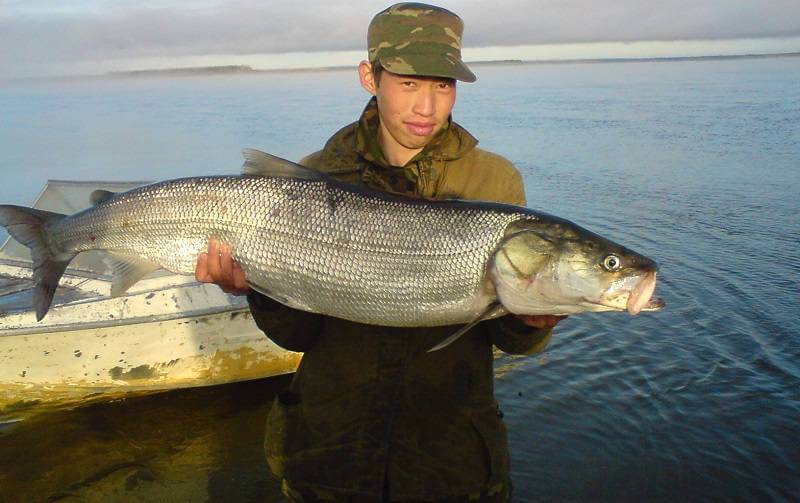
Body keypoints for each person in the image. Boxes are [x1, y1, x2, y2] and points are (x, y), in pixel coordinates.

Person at [196, 3, 564, 501]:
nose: (427, 108)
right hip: (329, 449)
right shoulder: (314, 176)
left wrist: (530, 320)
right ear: (370, 76)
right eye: (409, 84)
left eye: (443, 85)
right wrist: (256, 288)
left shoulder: (494, 181)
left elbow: (508, 338)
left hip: (449, 458)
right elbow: (298, 334)